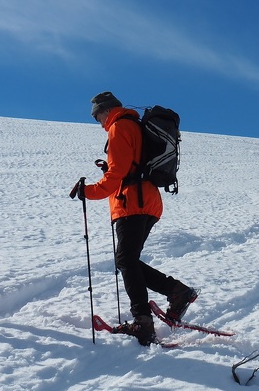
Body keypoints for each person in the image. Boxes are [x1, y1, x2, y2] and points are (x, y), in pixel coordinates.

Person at [74, 92, 197, 346]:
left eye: (97, 116)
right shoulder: (135, 126)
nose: (99, 123)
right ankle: (176, 292)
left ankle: (143, 321)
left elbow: (117, 175)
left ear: (106, 111)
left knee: (126, 260)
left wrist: (89, 191)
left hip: (132, 202)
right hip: (147, 202)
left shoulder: (119, 127)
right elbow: (130, 166)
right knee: (128, 260)